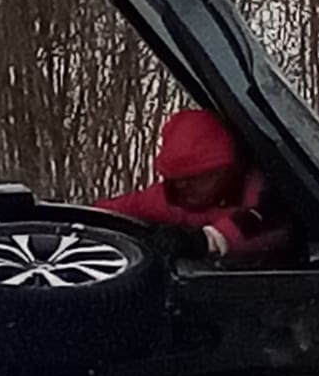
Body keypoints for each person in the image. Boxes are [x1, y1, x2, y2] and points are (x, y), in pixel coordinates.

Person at [95, 108, 293, 261]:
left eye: (195, 178)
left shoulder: (256, 192)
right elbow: (115, 211)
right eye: (177, 178)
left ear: (223, 171)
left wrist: (205, 240)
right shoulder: (169, 197)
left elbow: (267, 225)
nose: (182, 186)